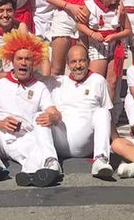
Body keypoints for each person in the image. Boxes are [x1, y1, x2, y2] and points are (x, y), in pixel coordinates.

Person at [0, 30, 62, 187]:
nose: (23, 63)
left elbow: (54, 112)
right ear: (11, 61)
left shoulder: (40, 87)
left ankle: (32, 172)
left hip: (23, 137)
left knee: (37, 141)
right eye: (19, 59)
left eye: (28, 59)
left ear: (34, 63)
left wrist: (53, 118)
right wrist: (0, 123)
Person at [45, 43, 115, 179]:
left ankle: (100, 159)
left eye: (82, 61)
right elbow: (27, 78)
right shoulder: (57, 82)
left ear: (88, 62)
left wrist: (116, 141)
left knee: (103, 112)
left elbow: (108, 117)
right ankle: (50, 161)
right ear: (67, 65)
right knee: (40, 116)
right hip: (60, 141)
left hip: (86, 145)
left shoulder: (98, 80)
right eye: (73, 62)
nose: (78, 66)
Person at [78, 0, 131, 99]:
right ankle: (93, 108)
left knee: (112, 83)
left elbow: (128, 30)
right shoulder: (90, 6)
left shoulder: (119, 7)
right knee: (96, 80)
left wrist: (115, 36)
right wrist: (92, 34)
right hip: (98, 46)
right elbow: (79, 24)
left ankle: (109, 113)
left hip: (115, 46)